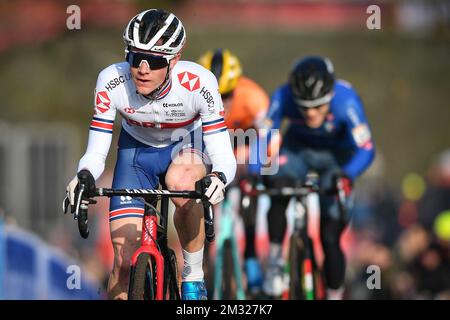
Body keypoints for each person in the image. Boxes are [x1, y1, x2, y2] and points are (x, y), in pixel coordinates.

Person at [63, 9, 236, 300]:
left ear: (175, 60)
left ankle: (193, 276)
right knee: (123, 261)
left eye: (154, 61)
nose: (143, 69)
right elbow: (96, 151)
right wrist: (84, 176)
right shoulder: (110, 81)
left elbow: (223, 152)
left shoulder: (200, 83)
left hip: (186, 146)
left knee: (181, 185)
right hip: (136, 154)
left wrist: (219, 176)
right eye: (135, 57)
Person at [249, 56, 375, 299]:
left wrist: (347, 175)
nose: (311, 113)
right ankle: (275, 260)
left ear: (330, 96)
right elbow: (262, 136)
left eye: (318, 106)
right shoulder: (283, 96)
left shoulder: (346, 101)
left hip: (336, 158)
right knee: (276, 185)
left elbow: (367, 148)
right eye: (304, 107)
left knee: (330, 237)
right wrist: (256, 173)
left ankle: (334, 293)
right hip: (298, 151)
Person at [198, 49, 269, 293]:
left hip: (246, 148)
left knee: (253, 188)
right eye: (218, 95)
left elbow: (268, 135)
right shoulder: (195, 94)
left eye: (227, 95)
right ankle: (202, 261)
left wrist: (254, 167)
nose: (223, 102)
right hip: (213, 149)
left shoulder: (253, 97)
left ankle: (250, 255)